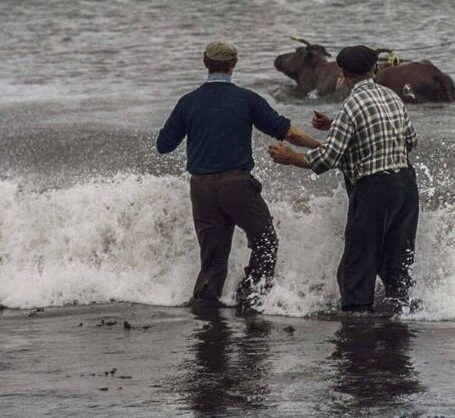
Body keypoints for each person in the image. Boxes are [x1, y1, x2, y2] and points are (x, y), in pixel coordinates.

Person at [156, 39, 322, 308]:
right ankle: (251, 297)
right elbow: (289, 133)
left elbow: (163, 146)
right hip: (236, 185)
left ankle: (205, 308)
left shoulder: (187, 102)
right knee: (265, 241)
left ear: (205, 62)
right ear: (234, 64)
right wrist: (321, 146)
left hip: (201, 188)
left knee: (212, 260)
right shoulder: (247, 99)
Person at [268, 45, 419, 314]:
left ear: (343, 74)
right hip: (406, 186)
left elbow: (328, 158)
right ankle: (401, 314)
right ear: (375, 69)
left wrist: (291, 157)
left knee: (357, 265)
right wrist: (334, 125)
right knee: (396, 261)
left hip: (374, 190)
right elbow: (410, 140)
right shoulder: (392, 96)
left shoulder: (351, 105)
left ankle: (357, 320)